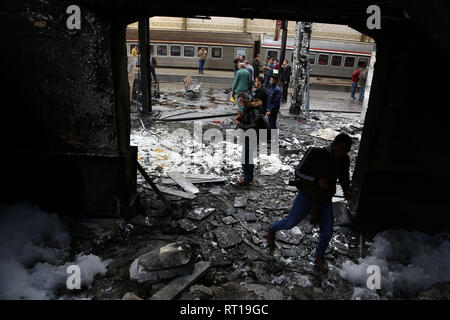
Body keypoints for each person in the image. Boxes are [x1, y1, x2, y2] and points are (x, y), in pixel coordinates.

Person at [267, 133, 353, 273]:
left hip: (325, 199)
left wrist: (347, 190)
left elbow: (344, 177)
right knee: (289, 223)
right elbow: (298, 172)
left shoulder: (344, 159)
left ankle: (319, 256)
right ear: (333, 145)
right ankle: (271, 229)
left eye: (346, 151)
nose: (343, 154)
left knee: (327, 232)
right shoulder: (315, 152)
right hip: (307, 196)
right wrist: (315, 181)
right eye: (341, 149)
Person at [234, 91, 267, 187]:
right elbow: (245, 118)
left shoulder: (254, 110)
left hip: (253, 136)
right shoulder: (247, 108)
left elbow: (253, 125)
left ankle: (246, 179)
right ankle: (249, 178)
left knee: (245, 158)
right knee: (248, 158)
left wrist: (240, 125)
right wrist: (239, 119)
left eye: (241, 101)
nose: (240, 104)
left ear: (247, 100)